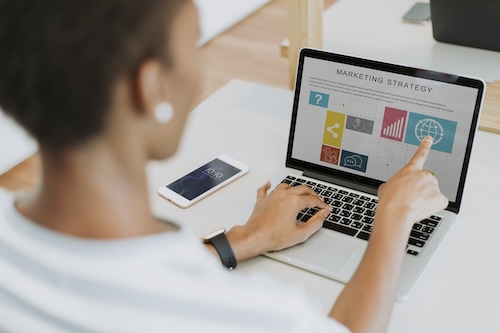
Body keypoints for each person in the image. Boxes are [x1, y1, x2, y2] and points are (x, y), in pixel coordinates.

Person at [0, 0, 448, 332]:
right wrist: (392, 214)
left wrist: (244, 238)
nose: (199, 69)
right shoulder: (241, 316)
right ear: (151, 86)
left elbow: (118, 276)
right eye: (194, 45)